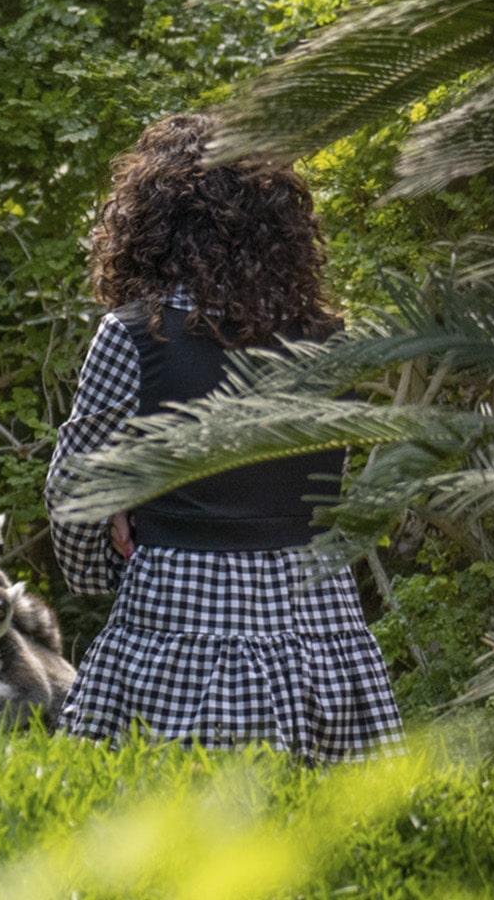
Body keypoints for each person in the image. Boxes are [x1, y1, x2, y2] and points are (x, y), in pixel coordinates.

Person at [47, 113, 402, 764]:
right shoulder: (333, 345)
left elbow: (75, 489)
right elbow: (322, 483)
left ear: (149, 229)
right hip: (313, 614)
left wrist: (99, 571)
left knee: (158, 809)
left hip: (177, 613)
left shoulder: (132, 335)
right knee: (332, 821)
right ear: (283, 233)